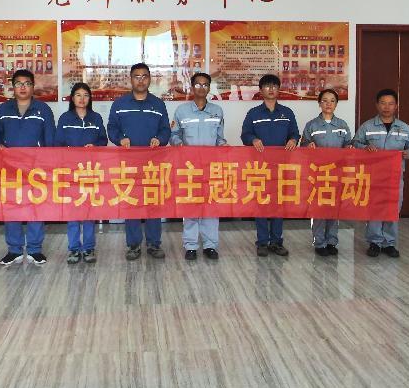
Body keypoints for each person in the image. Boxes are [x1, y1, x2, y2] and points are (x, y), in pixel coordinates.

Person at [107, 62, 171, 260]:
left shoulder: (158, 104)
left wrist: (160, 139)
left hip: (153, 163)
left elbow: (165, 129)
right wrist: (120, 139)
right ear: (131, 79)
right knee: (132, 203)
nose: (141, 80)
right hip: (128, 164)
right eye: (137, 76)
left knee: (153, 203)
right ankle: (133, 245)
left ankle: (153, 243)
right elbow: (112, 128)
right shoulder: (120, 104)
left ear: (150, 79)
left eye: (144, 76)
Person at [0, 69, 56, 267]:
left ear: (33, 86)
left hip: (36, 168)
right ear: (13, 87)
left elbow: (50, 139)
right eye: (19, 84)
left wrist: (48, 165)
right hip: (10, 167)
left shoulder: (43, 109)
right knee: (11, 207)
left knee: (35, 207)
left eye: (27, 83)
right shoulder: (2, 109)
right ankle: (14, 250)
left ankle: (35, 249)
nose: (23, 87)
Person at [352, 88, 409, 258]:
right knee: (374, 208)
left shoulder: (404, 128)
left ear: (396, 106)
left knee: (392, 208)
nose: (386, 107)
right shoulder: (367, 126)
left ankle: (389, 243)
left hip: (394, 177)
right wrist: (365, 148)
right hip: (373, 176)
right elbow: (355, 144)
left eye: (390, 104)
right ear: (377, 105)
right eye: (383, 103)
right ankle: (374, 242)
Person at [240, 74, 299, 257]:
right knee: (261, 204)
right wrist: (253, 139)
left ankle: (276, 242)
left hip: (281, 166)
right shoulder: (254, 113)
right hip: (259, 167)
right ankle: (262, 242)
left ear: (278, 89)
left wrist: (293, 140)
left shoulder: (287, 113)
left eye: (274, 86)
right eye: (267, 86)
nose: (271, 89)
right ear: (261, 90)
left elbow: (295, 133)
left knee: (278, 204)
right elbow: (245, 135)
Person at [170, 72, 227, 261]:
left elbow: (220, 138)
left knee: (211, 206)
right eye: (198, 84)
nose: (201, 88)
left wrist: (223, 146)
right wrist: (178, 143)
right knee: (191, 206)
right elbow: (174, 135)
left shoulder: (217, 111)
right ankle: (191, 245)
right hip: (190, 167)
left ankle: (210, 245)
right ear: (191, 87)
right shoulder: (182, 111)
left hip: (211, 167)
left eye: (205, 85)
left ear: (209, 88)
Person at [55, 82, 108, 264]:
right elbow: (58, 143)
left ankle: (89, 247)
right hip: (70, 172)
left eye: (85, 95)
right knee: (73, 212)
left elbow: (103, 140)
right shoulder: (65, 118)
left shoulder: (96, 118)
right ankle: (74, 249)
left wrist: (95, 146)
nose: (82, 98)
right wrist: (69, 151)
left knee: (89, 211)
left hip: (91, 171)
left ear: (90, 98)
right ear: (72, 98)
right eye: (78, 95)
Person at [300, 89, 352, 256]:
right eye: (325, 100)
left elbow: (349, 145)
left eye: (332, 101)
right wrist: (307, 146)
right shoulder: (311, 125)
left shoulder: (342, 125)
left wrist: (349, 147)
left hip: (337, 173)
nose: (328, 104)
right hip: (318, 174)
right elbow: (303, 146)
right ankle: (319, 242)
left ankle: (331, 241)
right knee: (319, 209)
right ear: (319, 103)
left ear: (336, 104)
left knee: (334, 209)